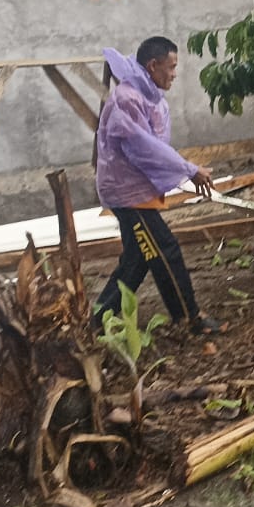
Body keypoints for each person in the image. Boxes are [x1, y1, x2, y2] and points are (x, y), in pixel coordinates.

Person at [92, 36, 223, 334]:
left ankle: (97, 321)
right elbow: (143, 146)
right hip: (128, 195)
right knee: (164, 250)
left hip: (135, 191)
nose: (175, 74)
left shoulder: (145, 95)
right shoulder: (128, 98)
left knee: (137, 260)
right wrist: (188, 169)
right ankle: (189, 318)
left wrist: (182, 170)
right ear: (153, 66)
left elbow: (152, 145)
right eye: (171, 67)